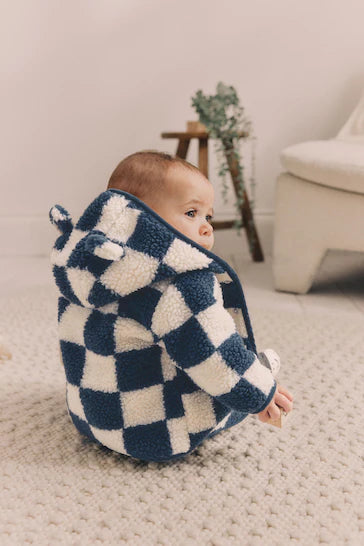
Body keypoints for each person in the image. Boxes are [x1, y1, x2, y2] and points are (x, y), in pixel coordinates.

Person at [49, 150, 293, 463]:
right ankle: (254, 373)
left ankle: (248, 371)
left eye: (208, 217)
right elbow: (212, 354)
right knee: (229, 381)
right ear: (138, 217)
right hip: (158, 432)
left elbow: (73, 347)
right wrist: (261, 394)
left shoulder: (89, 266)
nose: (206, 227)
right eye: (191, 213)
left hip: (91, 416)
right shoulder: (180, 284)